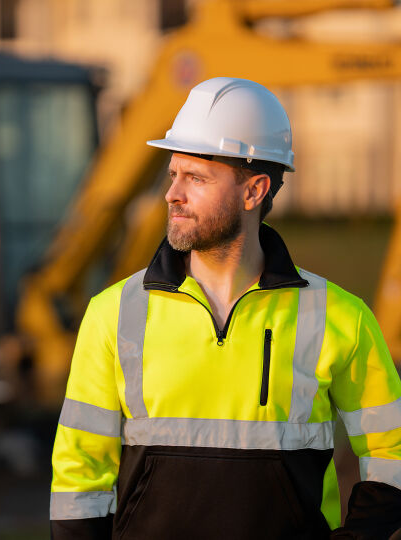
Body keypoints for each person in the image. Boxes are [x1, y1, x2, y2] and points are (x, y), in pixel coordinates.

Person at [49, 77, 401, 539]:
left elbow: (392, 452)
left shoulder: (341, 318)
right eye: (173, 174)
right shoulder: (112, 313)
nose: (173, 194)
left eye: (195, 178)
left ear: (253, 191)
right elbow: (79, 472)